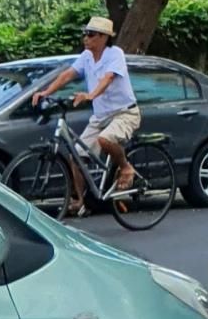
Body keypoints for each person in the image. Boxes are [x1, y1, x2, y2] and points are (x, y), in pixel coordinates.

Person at [31, 16, 141, 213]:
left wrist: (90, 95)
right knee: (77, 155)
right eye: (85, 34)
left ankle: (125, 167)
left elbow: (108, 78)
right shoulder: (86, 57)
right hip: (100, 116)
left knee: (105, 139)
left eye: (90, 35)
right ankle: (81, 201)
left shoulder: (115, 54)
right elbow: (67, 75)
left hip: (124, 113)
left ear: (104, 37)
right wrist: (46, 92)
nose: (86, 38)